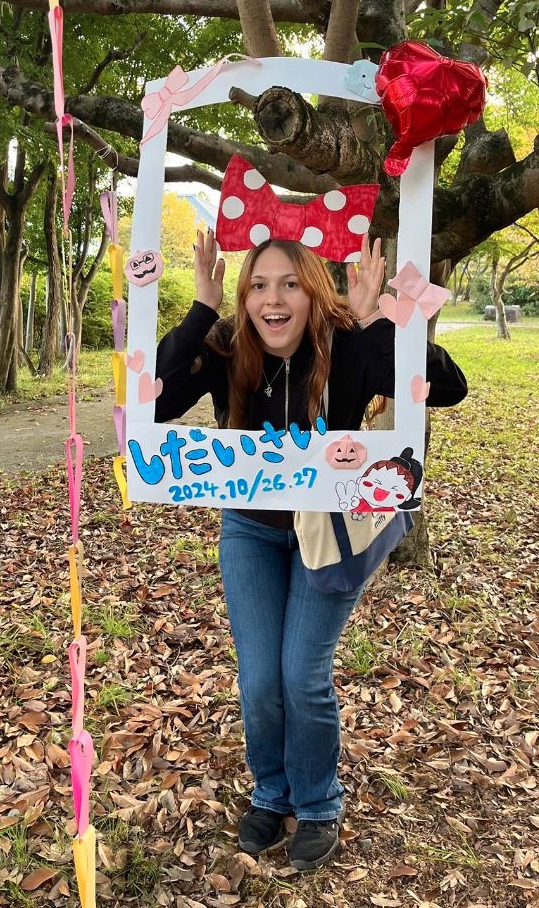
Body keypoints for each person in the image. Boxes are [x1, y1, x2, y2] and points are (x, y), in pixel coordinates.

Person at [155, 229, 467, 871]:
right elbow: (152, 395)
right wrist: (203, 309)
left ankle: (319, 803)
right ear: (245, 299)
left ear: (313, 292)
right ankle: (272, 793)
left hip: (330, 533)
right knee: (261, 681)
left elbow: (445, 387)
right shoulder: (227, 346)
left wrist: (379, 318)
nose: (273, 300)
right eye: (259, 286)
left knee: (302, 675)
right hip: (251, 530)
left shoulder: (348, 343)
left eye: (290, 284)